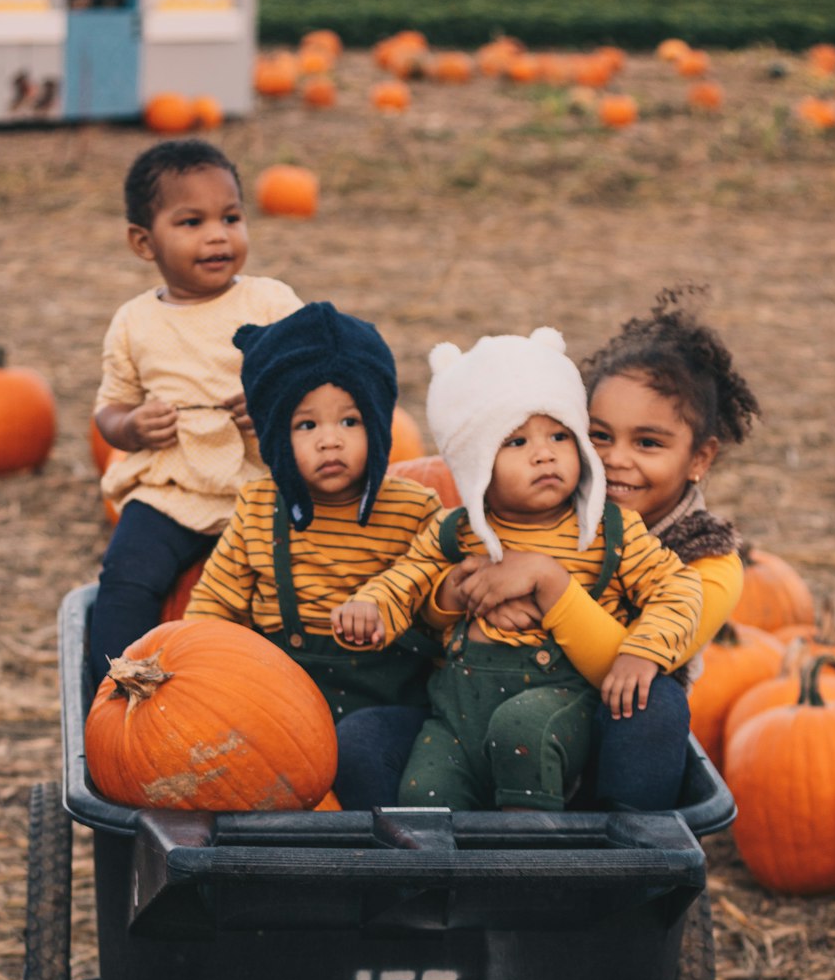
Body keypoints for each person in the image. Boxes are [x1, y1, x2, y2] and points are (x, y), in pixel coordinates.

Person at [332, 327, 703, 812]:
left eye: (559, 435)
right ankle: (438, 885)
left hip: (556, 702)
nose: (544, 453)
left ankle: (527, 868)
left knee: (521, 731)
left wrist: (644, 652)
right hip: (457, 714)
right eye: (515, 442)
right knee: (425, 793)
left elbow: (678, 588)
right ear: (473, 467)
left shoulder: (611, 531)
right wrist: (371, 606)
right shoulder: (454, 531)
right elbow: (407, 577)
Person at [183, 302, 445, 808]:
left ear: (379, 424)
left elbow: (440, 595)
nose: (330, 441)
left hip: (391, 710)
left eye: (350, 421)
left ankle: (388, 875)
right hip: (283, 711)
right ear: (276, 434)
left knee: (360, 750)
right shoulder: (259, 510)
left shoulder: (416, 510)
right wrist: (192, 680)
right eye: (306, 426)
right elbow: (213, 613)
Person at [87, 138, 302, 687]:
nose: (217, 235)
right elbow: (109, 409)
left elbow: (317, 385)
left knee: (296, 585)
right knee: (126, 579)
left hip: (262, 487)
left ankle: (288, 689)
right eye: (191, 222)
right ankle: (118, 689)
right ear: (143, 242)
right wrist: (130, 428)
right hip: (171, 489)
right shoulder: (135, 322)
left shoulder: (271, 304)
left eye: (231, 217)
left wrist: (276, 406)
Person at [558, 286, 761, 808]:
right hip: (510, 723)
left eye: (647, 443)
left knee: (654, 702)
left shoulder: (709, 559)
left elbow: (626, 663)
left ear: (700, 457)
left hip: (612, 756)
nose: (616, 459)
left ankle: (627, 868)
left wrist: (549, 589)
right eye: (600, 436)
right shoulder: (548, 508)